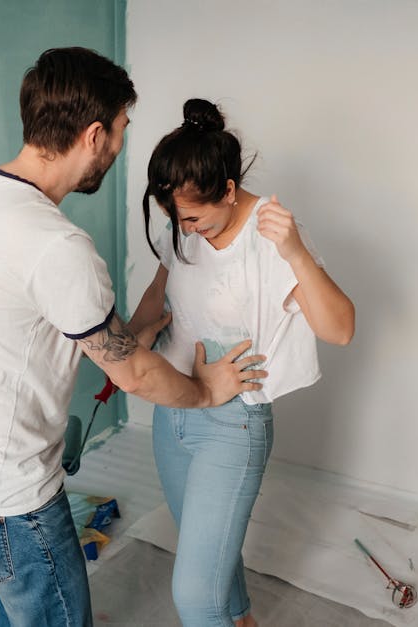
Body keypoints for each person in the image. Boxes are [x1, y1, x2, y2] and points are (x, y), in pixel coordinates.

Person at [0, 51, 268, 627]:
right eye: (122, 129)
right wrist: (206, 390)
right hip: (9, 495)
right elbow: (134, 374)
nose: (122, 145)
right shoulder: (56, 246)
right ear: (95, 135)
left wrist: (130, 337)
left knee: (21, 598)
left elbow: (24, 323)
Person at [128, 98, 355, 627]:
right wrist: (129, 351)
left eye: (194, 218)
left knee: (195, 598)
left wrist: (296, 252)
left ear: (228, 191)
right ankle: (244, 619)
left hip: (232, 426)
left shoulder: (270, 238)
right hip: (171, 413)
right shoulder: (184, 229)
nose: (185, 230)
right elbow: (157, 295)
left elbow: (341, 329)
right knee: (211, 559)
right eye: (175, 219)